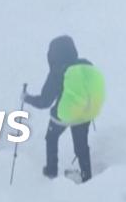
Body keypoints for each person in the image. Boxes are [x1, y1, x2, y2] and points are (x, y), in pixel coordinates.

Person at [24, 35, 103, 183]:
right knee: (81, 146)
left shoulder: (57, 71)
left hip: (65, 114)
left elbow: (44, 101)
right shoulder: (85, 65)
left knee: (51, 137)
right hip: (85, 113)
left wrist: (27, 98)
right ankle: (86, 177)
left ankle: (51, 171)